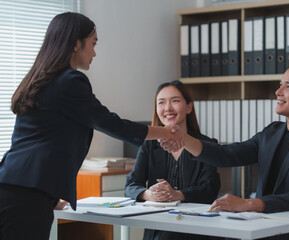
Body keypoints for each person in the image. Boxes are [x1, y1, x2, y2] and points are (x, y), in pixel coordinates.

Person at [0, 12, 182, 240]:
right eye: (93, 43)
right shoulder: (70, 81)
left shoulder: (38, 79)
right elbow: (111, 124)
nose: (95, 52)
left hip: (13, 186)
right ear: (77, 44)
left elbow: (34, 140)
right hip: (27, 196)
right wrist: (164, 132)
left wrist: (49, 195)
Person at [166, 59, 289, 240]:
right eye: (279, 85)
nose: (278, 92)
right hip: (262, 227)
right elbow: (226, 155)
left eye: (287, 87)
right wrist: (184, 139)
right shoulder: (271, 133)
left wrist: (248, 204)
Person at [125, 80, 221, 240]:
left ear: (189, 107)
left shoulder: (206, 145)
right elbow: (131, 185)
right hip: (159, 223)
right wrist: (148, 194)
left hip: (197, 226)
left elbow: (210, 188)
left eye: (175, 101)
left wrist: (177, 195)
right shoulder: (149, 146)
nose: (168, 108)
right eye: (161, 103)